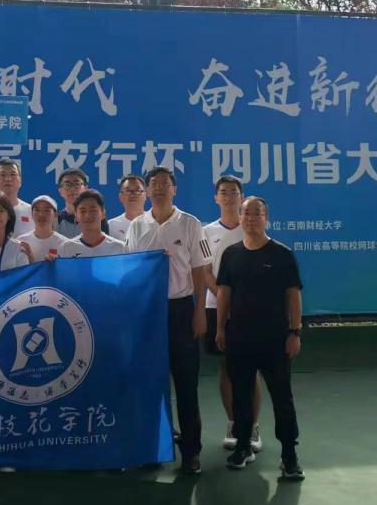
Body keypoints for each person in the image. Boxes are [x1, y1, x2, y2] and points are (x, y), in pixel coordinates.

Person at [125, 166, 213, 474]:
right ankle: (153, 449)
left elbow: (200, 269)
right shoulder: (137, 226)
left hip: (181, 309)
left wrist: (199, 310)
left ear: (174, 189)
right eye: (154, 183)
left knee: (186, 384)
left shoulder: (190, 223)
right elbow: (130, 268)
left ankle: (191, 452)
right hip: (147, 312)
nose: (160, 188)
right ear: (147, 190)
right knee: (150, 383)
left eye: (166, 183)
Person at [216, 197, 304, 481]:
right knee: (241, 396)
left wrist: (295, 332)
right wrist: (220, 329)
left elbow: (293, 295)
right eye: (247, 213)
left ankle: (289, 456)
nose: (251, 218)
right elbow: (224, 293)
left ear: (266, 218)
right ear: (239, 218)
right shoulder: (231, 254)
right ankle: (242, 446)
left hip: (275, 340)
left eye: (257, 213)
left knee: (282, 398)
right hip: (239, 338)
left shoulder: (282, 254)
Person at [203, 175, 263, 453]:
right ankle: (233, 423)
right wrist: (223, 296)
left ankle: (253, 427)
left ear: (242, 197)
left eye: (233, 192)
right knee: (226, 366)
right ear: (216, 198)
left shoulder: (251, 228)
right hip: (215, 306)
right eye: (223, 192)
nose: (228, 196)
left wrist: (240, 300)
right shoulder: (205, 231)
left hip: (249, 308)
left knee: (251, 368)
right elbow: (205, 270)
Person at [58, 189, 126, 257]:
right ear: (76, 216)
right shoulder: (67, 248)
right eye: (83, 211)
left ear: (103, 213)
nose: (87, 215)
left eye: (93, 210)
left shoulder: (119, 248)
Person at [55, 168, 110, 239]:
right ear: (60, 192)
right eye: (67, 185)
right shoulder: (56, 221)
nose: (72, 188)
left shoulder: (97, 219)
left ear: (85, 188)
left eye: (77, 184)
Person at [16, 195, 68, 261]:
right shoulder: (21, 241)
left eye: (47, 210)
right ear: (31, 214)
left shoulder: (65, 244)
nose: (41, 214)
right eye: (37, 210)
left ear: (55, 215)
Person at [108, 174, 147, 241]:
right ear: (120, 196)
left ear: (145, 195)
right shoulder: (111, 226)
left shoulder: (155, 222)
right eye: (128, 191)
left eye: (137, 190)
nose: (132, 194)